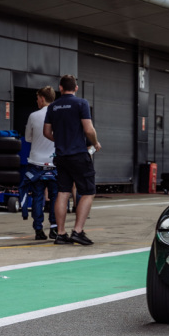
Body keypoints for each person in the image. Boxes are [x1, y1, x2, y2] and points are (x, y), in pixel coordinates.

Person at [43, 74, 98, 245]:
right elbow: (88, 129)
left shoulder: (52, 107)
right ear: (76, 88)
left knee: (63, 193)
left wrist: (60, 141)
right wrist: (95, 143)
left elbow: (46, 132)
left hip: (61, 156)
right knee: (88, 192)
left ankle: (60, 234)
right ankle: (78, 231)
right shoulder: (81, 103)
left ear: (60, 88)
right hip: (78, 155)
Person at [23, 85, 58, 240]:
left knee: (38, 196)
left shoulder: (33, 116)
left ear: (42, 98)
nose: (37, 101)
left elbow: (28, 138)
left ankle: (38, 230)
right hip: (54, 162)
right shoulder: (59, 115)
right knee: (56, 197)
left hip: (36, 162)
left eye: (37, 98)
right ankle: (55, 228)